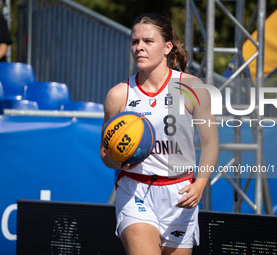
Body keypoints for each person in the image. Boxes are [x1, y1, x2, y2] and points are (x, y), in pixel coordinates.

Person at [100, 13, 219, 255]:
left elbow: (210, 144)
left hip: (179, 193)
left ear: (167, 47)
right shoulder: (119, 95)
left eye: (147, 41)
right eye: (134, 42)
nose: (139, 48)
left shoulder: (191, 87)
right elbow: (104, 154)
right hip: (135, 190)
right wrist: (118, 157)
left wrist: (201, 184)